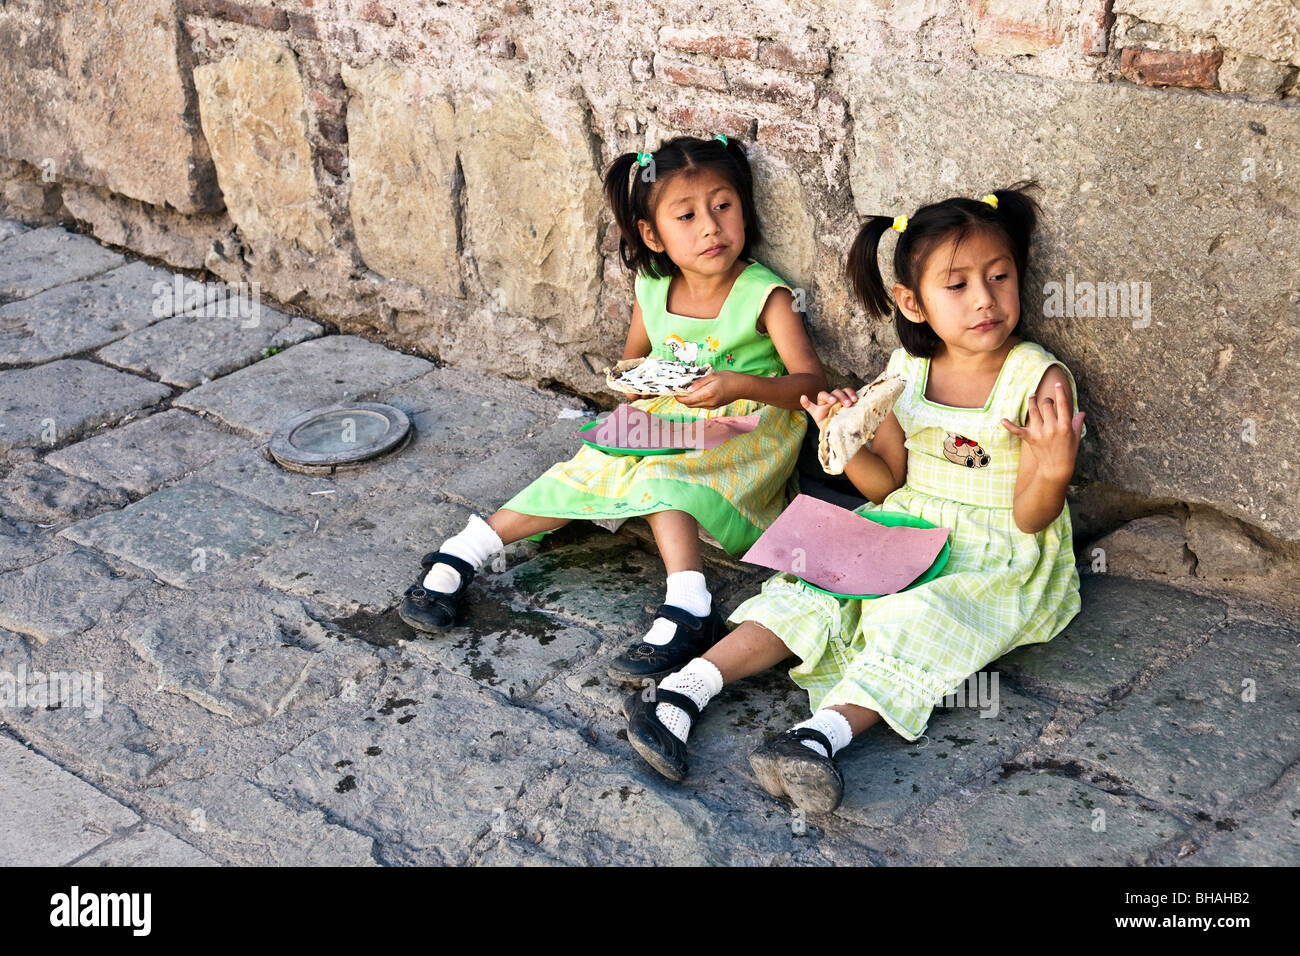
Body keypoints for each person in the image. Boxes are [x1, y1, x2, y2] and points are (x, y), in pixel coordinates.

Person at [623, 182, 1088, 814]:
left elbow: (1031, 518)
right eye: (957, 286)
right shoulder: (907, 371)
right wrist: (843, 443)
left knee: (921, 621)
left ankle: (815, 739)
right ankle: (681, 693)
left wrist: (1055, 470)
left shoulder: (1037, 377)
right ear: (912, 303)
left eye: (1000, 277)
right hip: (906, 518)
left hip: (997, 545)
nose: (985, 300)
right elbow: (888, 484)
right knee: (810, 591)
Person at [400, 134, 830, 687]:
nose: (710, 227)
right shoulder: (653, 286)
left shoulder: (764, 294)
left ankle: (689, 604)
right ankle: (466, 549)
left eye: (723, 206)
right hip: (670, 410)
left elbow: (810, 384)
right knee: (589, 466)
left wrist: (736, 383)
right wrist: (636, 394)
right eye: (687, 215)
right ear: (652, 234)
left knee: (663, 471)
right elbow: (632, 363)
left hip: (746, 423)